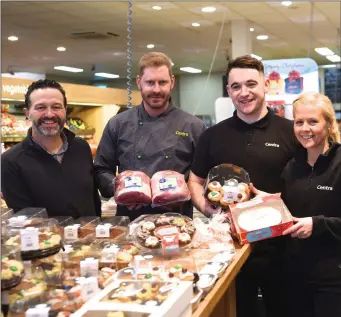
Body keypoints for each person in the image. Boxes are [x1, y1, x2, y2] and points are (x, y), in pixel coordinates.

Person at [188, 55, 299, 317]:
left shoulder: (290, 132)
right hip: (230, 251)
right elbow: (194, 180)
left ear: (265, 87)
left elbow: (306, 185)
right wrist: (209, 210)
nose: (244, 92)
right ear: (228, 90)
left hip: (280, 250)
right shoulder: (212, 135)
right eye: (236, 86)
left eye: (251, 84)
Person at [94, 52, 206, 221]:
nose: (156, 89)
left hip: (178, 222)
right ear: (139, 82)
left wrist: (182, 190)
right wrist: (120, 189)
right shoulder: (118, 124)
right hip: (129, 222)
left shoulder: (193, 126)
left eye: (162, 82)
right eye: (150, 82)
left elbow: (203, 175)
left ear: (172, 82)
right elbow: (101, 169)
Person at [279, 93, 341, 317]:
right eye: (299, 122)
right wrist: (265, 203)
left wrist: (317, 225)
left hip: (333, 280)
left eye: (313, 121)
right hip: (295, 275)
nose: (305, 128)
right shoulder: (292, 167)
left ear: (329, 124)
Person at [1, 79, 101, 218]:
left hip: (90, 237)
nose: (49, 114)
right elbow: (24, 220)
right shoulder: (11, 161)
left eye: (56, 107)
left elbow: (94, 201)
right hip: (48, 239)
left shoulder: (81, 148)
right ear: (27, 112)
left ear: (65, 110)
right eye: (40, 107)